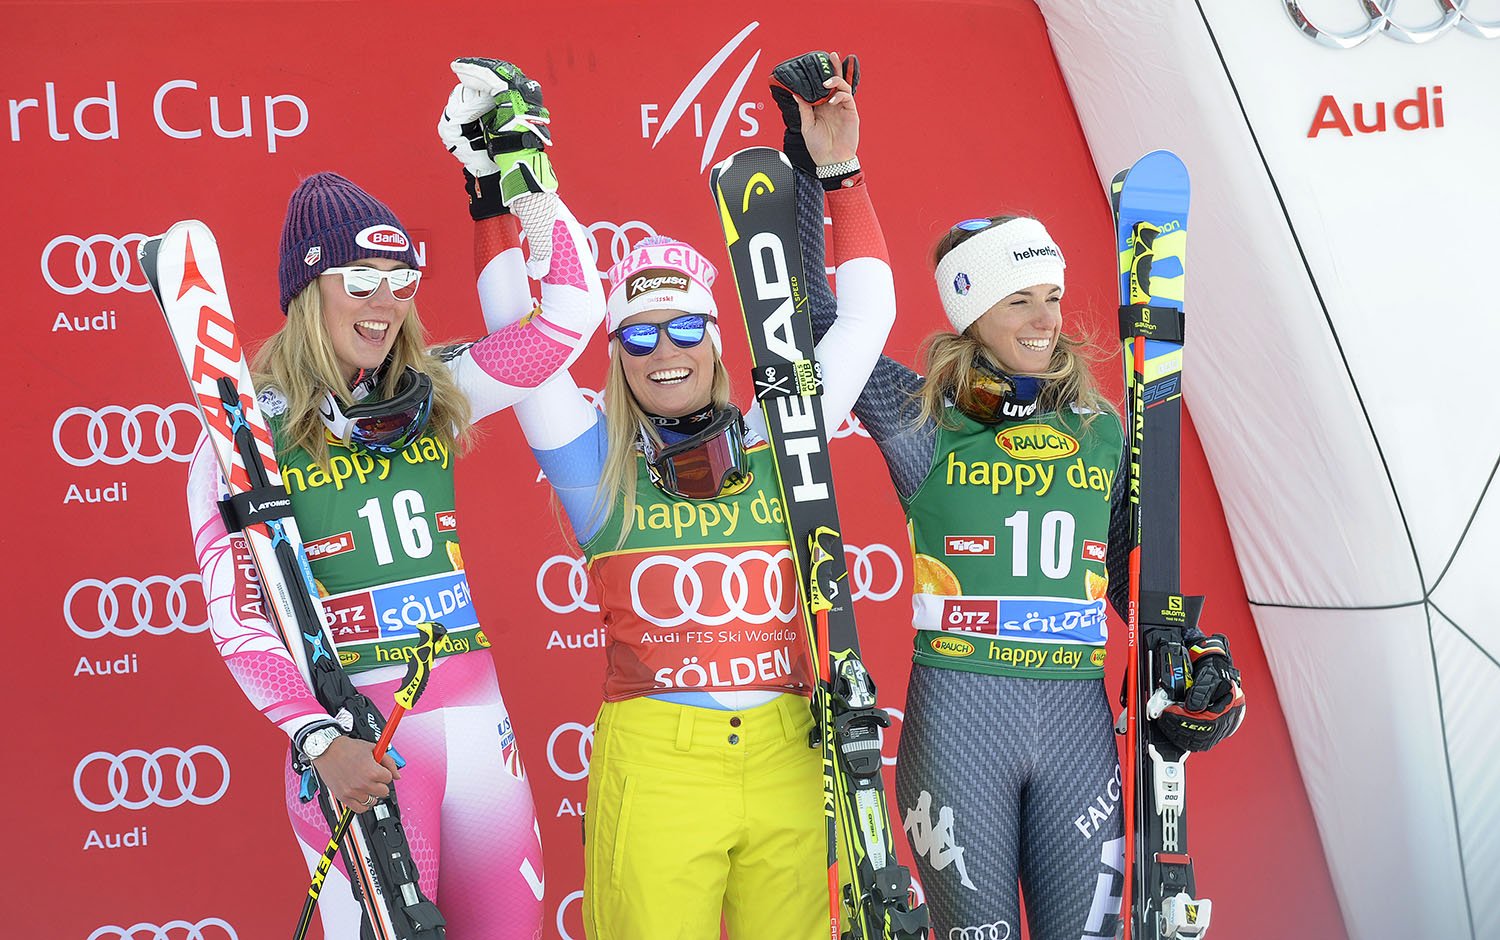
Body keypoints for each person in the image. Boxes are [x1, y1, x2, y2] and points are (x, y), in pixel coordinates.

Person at [439, 52, 891, 939]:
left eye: (686, 327)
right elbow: (514, 334)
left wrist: (840, 170)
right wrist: (491, 194)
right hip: (656, 760)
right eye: (637, 336)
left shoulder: (778, 437)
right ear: (614, 355)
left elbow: (869, 313)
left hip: (790, 750)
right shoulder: (592, 461)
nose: (664, 349)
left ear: (717, 339)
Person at [185, 164, 604, 936]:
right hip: (359, 742)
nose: (385, 303)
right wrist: (320, 740)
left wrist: (527, 177)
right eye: (360, 279)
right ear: (309, 288)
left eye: (401, 278)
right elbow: (238, 618)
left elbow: (569, 320)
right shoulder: (244, 431)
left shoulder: (435, 391)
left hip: (479, 729)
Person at [826, 214, 1247, 939]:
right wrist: (831, 172)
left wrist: (1189, 655)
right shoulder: (920, 418)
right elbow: (809, 315)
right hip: (961, 725)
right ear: (972, 314)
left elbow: (1129, 575)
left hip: (1075, 732)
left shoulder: (1101, 427)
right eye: (1018, 299)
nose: (1045, 319)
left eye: (1050, 296)